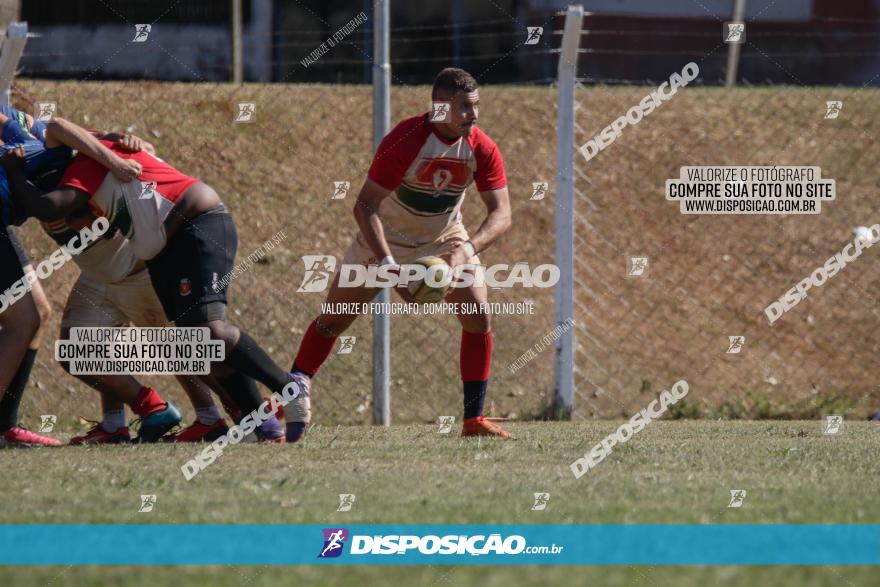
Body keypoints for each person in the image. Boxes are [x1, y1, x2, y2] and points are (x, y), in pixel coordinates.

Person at [1, 135, 299, 442]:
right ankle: (125, 420)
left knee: (187, 347)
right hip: (97, 276)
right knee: (79, 350)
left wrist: (118, 143)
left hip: (135, 269)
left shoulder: (74, 167)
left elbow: (65, 135)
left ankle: (229, 416)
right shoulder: (31, 161)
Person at [285, 68, 512, 441]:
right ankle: (292, 394)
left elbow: (502, 214)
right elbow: (365, 206)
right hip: (384, 242)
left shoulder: (481, 146)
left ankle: (473, 421)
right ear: (439, 108)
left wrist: (465, 250)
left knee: (478, 314)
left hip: (446, 239)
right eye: (465, 107)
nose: (474, 115)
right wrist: (390, 268)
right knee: (334, 319)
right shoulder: (407, 139)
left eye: (476, 106)